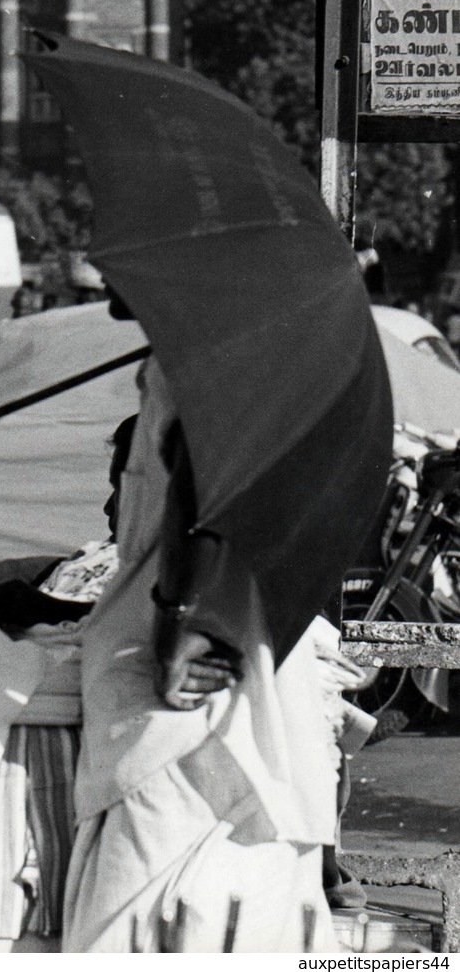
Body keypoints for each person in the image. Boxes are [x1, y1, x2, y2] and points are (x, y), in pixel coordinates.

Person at [62, 344, 339, 952]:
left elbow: (204, 475)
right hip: (190, 668)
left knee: (167, 916)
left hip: (188, 691)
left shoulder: (207, 353)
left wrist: (181, 618)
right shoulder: (201, 353)